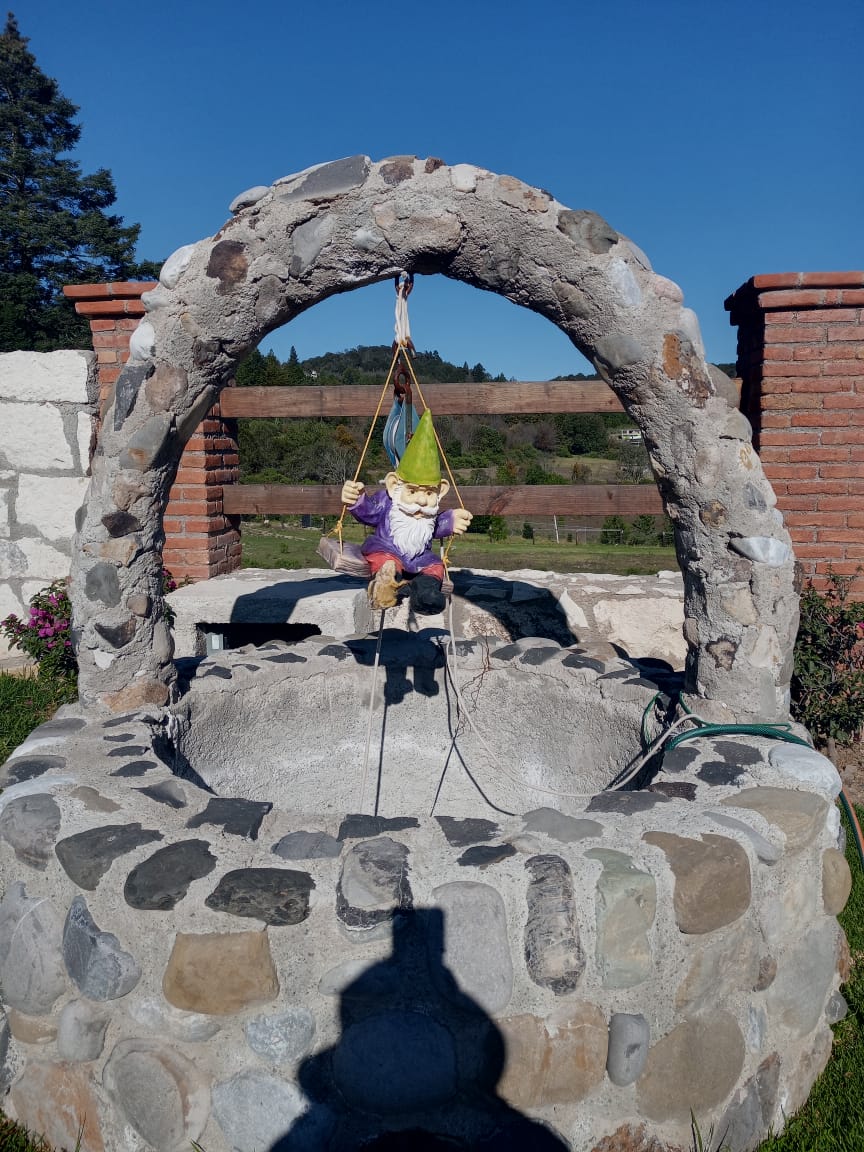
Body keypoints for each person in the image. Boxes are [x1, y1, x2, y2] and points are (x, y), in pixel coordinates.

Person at [341, 410, 472, 614]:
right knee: (387, 564)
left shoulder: (429, 514)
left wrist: (453, 519)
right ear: (395, 486)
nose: (421, 501)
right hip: (387, 550)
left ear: (441, 492)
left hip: (421, 558)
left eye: (429, 493)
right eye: (412, 491)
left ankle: (425, 597)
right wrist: (357, 499)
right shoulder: (388, 501)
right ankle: (387, 587)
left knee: (435, 568)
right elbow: (369, 512)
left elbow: (437, 525)